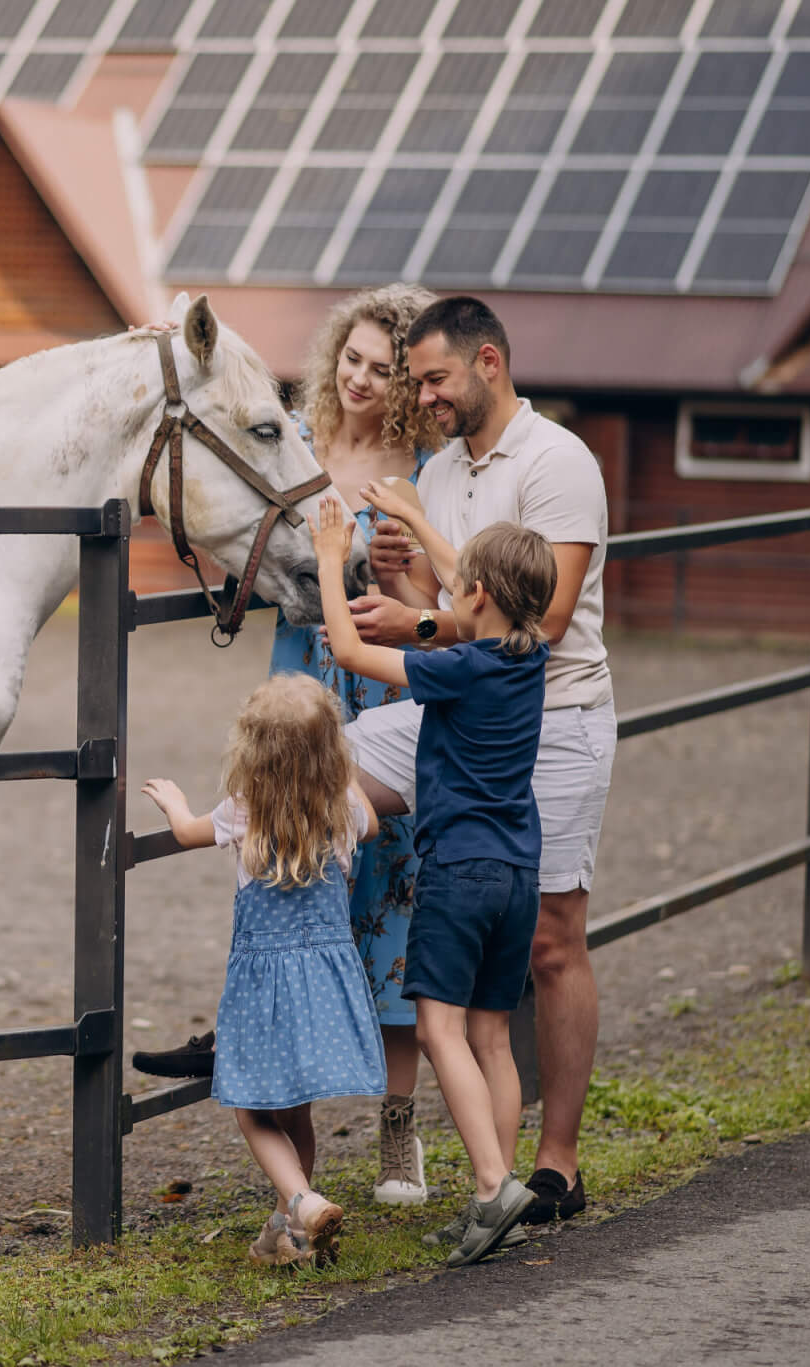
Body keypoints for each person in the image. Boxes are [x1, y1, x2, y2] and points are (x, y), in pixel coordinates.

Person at [133, 283, 442, 1209]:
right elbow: (258, 542)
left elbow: (431, 589)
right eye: (349, 358)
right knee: (288, 882)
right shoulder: (294, 440)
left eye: (381, 369)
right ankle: (292, 1136)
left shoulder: (421, 468)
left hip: (375, 671)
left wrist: (398, 571)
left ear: (404, 383)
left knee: (388, 896)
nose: (358, 377)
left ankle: (398, 1126)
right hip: (299, 680)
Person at [343, 296, 616, 1229]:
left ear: (487, 362)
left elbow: (542, 619)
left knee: (551, 938)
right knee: (320, 773)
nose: (421, 398)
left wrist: (415, 620)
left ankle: (558, 1163)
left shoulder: (558, 464)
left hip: (556, 717)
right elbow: (446, 599)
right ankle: (283, 969)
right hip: (456, 706)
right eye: (415, 381)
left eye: (432, 379)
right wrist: (398, 577)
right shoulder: (442, 467)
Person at [317, 507, 558, 1266]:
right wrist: (428, 532)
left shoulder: (461, 667)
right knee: (491, 1036)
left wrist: (331, 557)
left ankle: (491, 1186)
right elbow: (471, 584)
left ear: (478, 594)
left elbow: (353, 649)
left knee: (438, 1029)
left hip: (460, 868)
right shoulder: (532, 653)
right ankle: (503, 1190)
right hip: (521, 869)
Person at [140, 674, 386, 1268]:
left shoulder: (241, 811)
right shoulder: (345, 809)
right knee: (296, 1109)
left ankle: (300, 1200)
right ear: (332, 751)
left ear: (251, 752)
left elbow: (186, 831)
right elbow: (374, 822)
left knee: (252, 1109)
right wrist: (337, 768)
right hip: (325, 984)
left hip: (264, 989)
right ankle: (290, 1232)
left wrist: (173, 801)